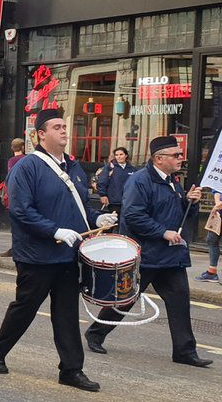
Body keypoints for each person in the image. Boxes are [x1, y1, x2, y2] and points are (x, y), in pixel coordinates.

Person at [0, 109, 115, 391]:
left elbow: (81, 205)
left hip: (69, 254)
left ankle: (71, 370)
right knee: (26, 308)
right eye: (57, 127)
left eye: (64, 126)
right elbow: (20, 210)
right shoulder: (26, 167)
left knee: (67, 313)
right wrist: (53, 230)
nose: (64, 131)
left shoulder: (73, 167)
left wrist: (97, 219)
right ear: (41, 135)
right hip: (37, 254)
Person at [83, 137, 212, 367]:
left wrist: (189, 203)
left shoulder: (173, 181)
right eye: (176, 155)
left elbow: (180, 216)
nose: (180, 158)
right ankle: (96, 333)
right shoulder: (140, 181)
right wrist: (164, 232)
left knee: (180, 302)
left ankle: (184, 352)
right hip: (146, 255)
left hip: (171, 257)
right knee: (124, 300)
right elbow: (133, 216)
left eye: (180, 154)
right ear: (159, 158)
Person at [95, 147, 136, 214]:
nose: (119, 157)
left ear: (126, 155)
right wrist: (103, 195)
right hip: (114, 201)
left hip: (129, 201)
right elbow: (102, 182)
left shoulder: (132, 169)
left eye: (121, 154)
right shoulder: (110, 168)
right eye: (116, 155)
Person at [196, 193, 221, 282]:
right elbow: (216, 189)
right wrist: (218, 202)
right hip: (219, 214)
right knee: (211, 240)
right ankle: (212, 272)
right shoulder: (218, 179)